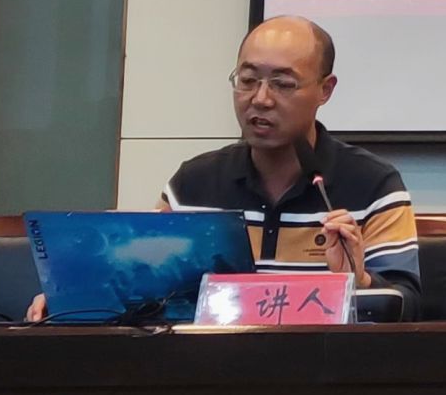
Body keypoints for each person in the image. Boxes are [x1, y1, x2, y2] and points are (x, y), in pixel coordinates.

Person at [164, 16, 422, 294]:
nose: (260, 99)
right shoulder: (192, 185)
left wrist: (359, 282)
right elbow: (149, 294)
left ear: (325, 90)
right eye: (248, 80)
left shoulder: (373, 185)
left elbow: (405, 302)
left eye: (283, 84)